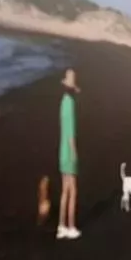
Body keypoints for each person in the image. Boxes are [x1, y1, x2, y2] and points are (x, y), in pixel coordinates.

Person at [57, 68, 81, 240]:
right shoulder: (71, 103)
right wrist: (75, 153)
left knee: (64, 190)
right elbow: (71, 133)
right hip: (68, 151)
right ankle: (71, 226)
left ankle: (61, 226)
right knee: (73, 190)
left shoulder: (63, 102)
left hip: (61, 150)